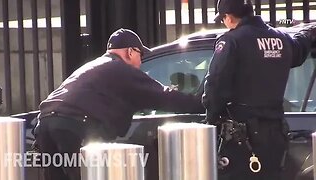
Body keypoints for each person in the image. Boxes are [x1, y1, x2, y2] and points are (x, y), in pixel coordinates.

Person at [35, 28, 204, 180]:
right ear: (130, 52)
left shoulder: (92, 66)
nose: (141, 61)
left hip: (45, 124)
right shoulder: (121, 70)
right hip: (74, 126)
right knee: (89, 176)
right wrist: (200, 104)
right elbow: (162, 96)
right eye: (141, 55)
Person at [202, 0, 316, 179]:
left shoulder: (231, 41)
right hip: (276, 136)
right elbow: (300, 47)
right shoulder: (281, 38)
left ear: (229, 17)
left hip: (242, 141)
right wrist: (309, 31)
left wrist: (211, 121)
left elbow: (215, 87)